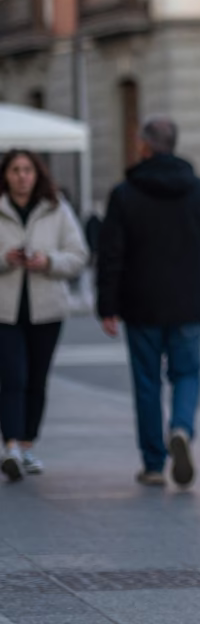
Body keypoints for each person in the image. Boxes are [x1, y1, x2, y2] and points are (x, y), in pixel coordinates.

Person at [96, 117, 200, 487]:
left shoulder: (125, 193)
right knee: (187, 373)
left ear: (144, 146)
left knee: (146, 382)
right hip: (191, 302)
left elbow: (110, 254)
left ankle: (154, 464)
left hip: (140, 303)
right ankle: (182, 429)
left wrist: (106, 306)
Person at [0, 151, 88, 480]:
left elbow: (78, 256)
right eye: (15, 170)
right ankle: (9, 446)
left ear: (38, 175)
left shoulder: (57, 208)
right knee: (12, 377)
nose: (22, 176)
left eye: (27, 170)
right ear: (5, 175)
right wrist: (5, 259)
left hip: (46, 310)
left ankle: (26, 445)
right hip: (4, 312)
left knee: (36, 379)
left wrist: (47, 262)